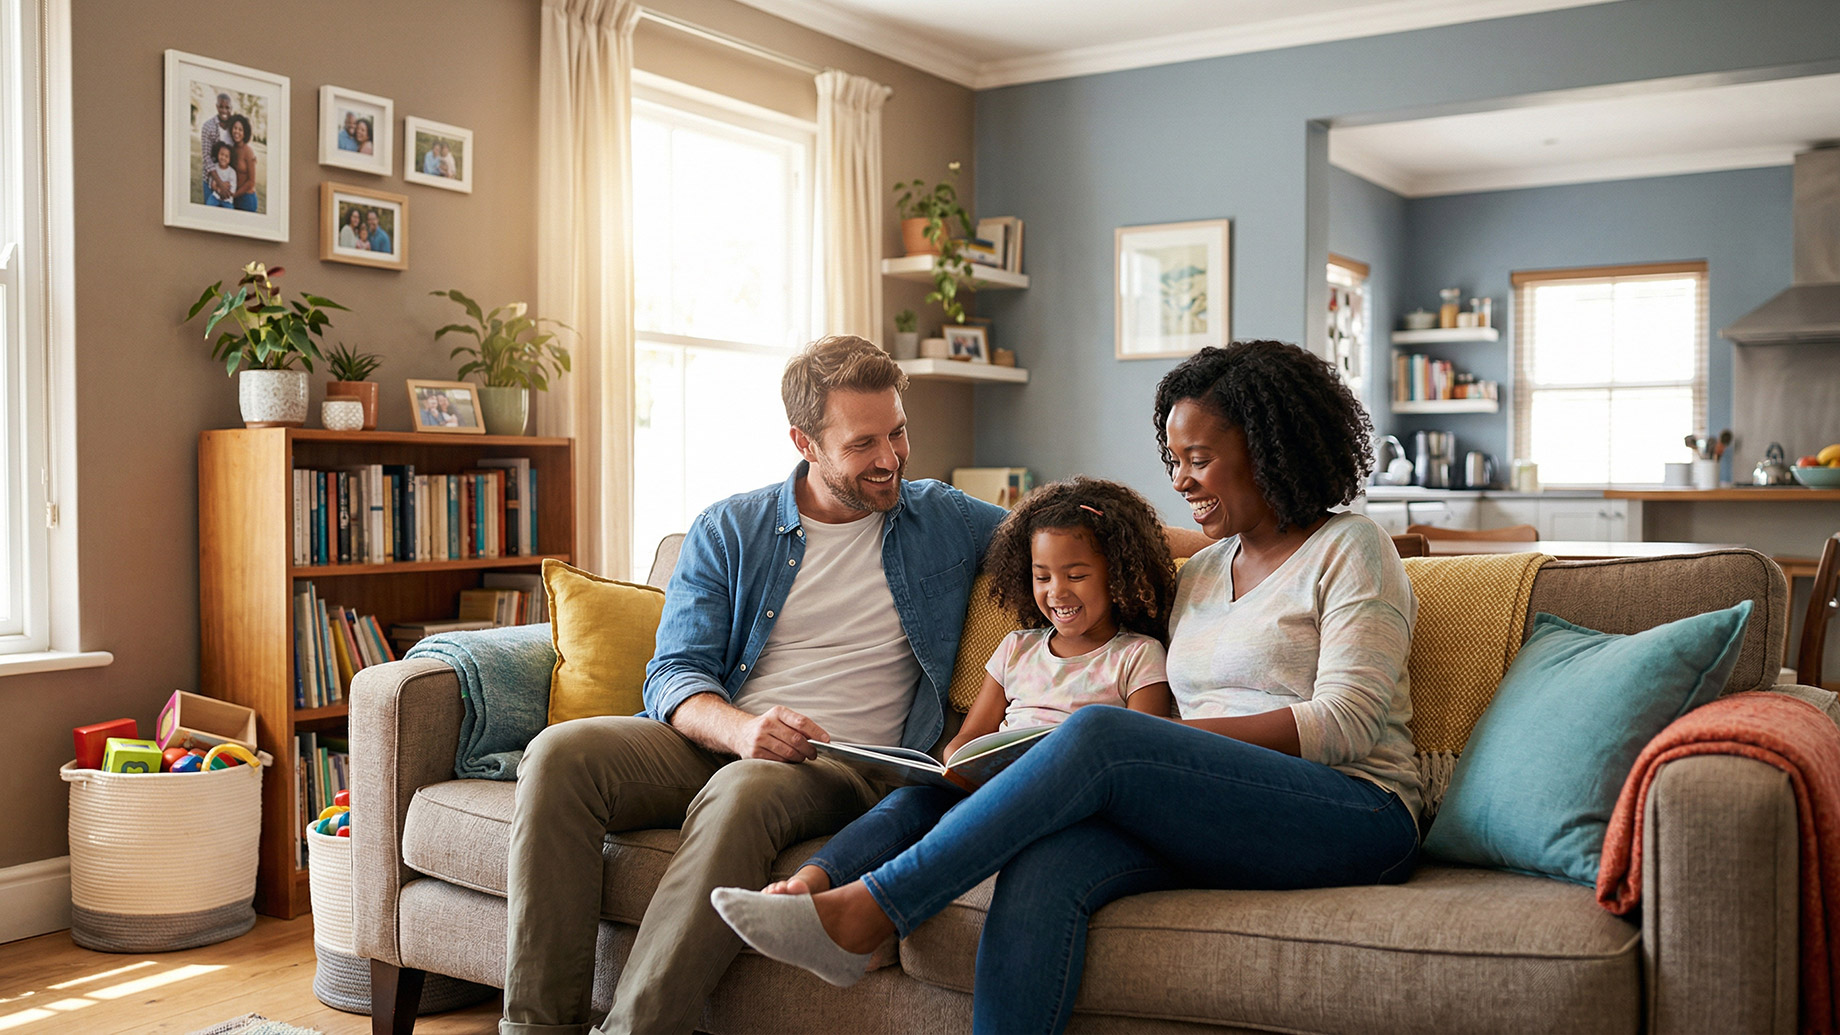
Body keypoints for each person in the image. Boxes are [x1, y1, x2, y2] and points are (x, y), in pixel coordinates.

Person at [714, 339, 1423, 1034]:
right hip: (1212, 810)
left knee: (1100, 734)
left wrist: (1157, 747)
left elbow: (1345, 723)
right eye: (1173, 461)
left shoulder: (1352, 548)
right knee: (1044, 863)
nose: (1181, 480)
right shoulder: (1204, 573)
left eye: (1199, 460)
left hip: (1354, 810)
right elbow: (1102, 551)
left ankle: (867, 909)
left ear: (1271, 450)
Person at [499, 335, 1008, 1035]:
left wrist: (1213, 537)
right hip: (726, 734)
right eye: (863, 444)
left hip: (843, 763)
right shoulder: (730, 529)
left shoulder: (942, 517)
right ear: (805, 440)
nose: (889, 458)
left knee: (746, 787)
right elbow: (674, 673)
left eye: (898, 432)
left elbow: (1073, 529)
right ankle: (536, 1028)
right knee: (560, 754)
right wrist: (741, 728)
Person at [753, 477, 1177, 911]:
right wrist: (956, 763)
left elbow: (1142, 753)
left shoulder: (1138, 656)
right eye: (1042, 576)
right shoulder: (1017, 647)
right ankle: (812, 880)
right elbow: (969, 736)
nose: (1057, 591)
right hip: (994, 786)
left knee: (959, 820)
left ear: (1118, 573)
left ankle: (872, 908)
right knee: (910, 802)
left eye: (1077, 575)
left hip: (1070, 799)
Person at [199, 91, 232, 192]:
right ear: (217, 107)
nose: (224, 110)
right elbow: (206, 157)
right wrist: (219, 182)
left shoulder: (234, 127)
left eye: (227, 108)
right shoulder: (208, 126)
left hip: (229, 180)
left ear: (231, 108)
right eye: (221, 107)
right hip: (211, 179)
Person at [228, 115, 259, 213]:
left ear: (245, 133)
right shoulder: (231, 149)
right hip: (234, 198)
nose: (237, 132)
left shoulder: (248, 151)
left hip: (246, 199)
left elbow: (251, 182)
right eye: (235, 128)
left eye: (240, 130)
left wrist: (234, 195)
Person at [204, 140, 237, 208]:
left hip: (227, 200)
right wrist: (219, 189)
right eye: (221, 154)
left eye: (226, 156)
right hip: (215, 197)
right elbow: (211, 184)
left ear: (230, 159)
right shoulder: (214, 167)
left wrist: (224, 192)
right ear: (218, 154)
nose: (223, 158)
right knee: (208, 206)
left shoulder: (232, 172)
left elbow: (233, 190)